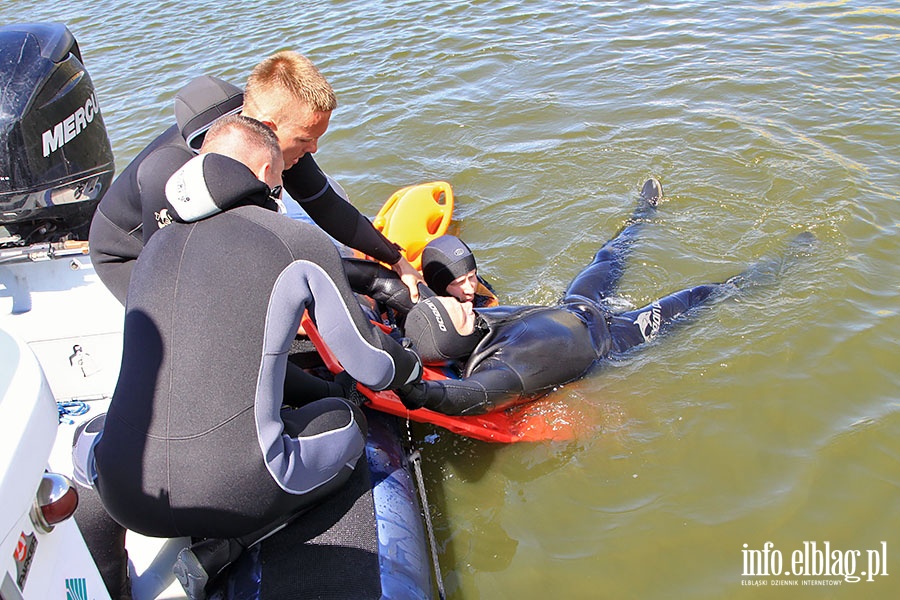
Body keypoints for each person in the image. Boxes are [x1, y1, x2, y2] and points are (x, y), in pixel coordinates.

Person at [84, 115, 422, 599]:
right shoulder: (294, 240)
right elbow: (370, 365)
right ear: (266, 173)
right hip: (236, 496)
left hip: (126, 495)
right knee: (346, 423)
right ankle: (230, 545)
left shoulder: (153, 248)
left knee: (93, 434)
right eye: (282, 179)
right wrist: (411, 369)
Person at [398, 179, 813, 416]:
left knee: (609, 253)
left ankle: (643, 213)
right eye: (453, 310)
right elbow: (462, 398)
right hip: (614, 338)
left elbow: (402, 300)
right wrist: (414, 392)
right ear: (455, 338)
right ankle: (774, 267)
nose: (461, 301)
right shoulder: (502, 372)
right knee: (699, 295)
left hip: (573, 304)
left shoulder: (476, 322)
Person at [89, 51, 422, 306]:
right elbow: (174, 279)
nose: (314, 149)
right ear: (268, 125)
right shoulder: (181, 170)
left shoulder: (275, 136)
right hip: (130, 252)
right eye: (306, 139)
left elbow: (327, 206)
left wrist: (396, 260)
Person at [421, 234, 498, 307]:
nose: (470, 290)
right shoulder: (423, 310)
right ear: (439, 288)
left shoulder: (483, 294)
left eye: (471, 277)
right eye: (459, 283)